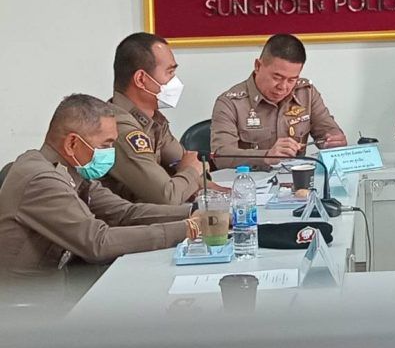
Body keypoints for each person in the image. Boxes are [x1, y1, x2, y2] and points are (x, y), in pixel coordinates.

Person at [0, 94, 198, 279]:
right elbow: (98, 242)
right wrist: (189, 228)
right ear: (72, 143)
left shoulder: (74, 171)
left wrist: (195, 212)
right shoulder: (41, 180)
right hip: (26, 299)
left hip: (55, 287)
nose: (111, 153)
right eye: (105, 145)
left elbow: (124, 213)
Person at [211, 33, 347, 168]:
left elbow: (328, 130)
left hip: (296, 178)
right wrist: (267, 156)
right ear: (258, 66)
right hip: (250, 179)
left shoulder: (306, 93)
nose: (283, 87)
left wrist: (334, 140)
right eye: (277, 77)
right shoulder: (230, 103)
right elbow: (221, 156)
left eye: (292, 80)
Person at [102, 32, 205, 204]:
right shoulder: (120, 128)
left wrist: (219, 191)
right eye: (169, 72)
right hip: (124, 219)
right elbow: (167, 196)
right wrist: (191, 171)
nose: (175, 81)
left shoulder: (153, 119)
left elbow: (191, 163)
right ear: (141, 79)